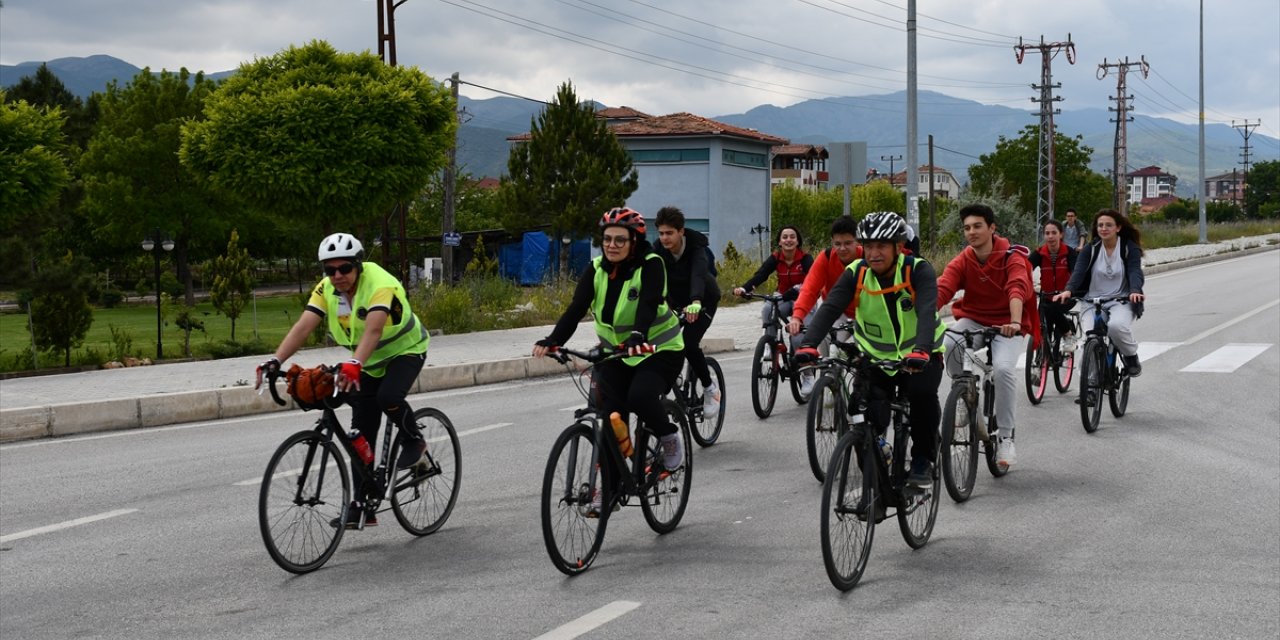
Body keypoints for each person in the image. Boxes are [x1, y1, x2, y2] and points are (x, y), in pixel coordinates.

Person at [257, 232, 431, 528]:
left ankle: (415, 441)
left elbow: (374, 331)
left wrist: (353, 364)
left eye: (344, 268)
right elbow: (303, 327)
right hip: (366, 360)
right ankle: (363, 504)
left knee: (387, 397)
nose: (337, 275)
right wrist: (276, 360)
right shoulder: (327, 290)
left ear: (358, 265)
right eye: (330, 269)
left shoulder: (380, 283)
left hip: (405, 351)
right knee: (359, 431)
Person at [794, 212, 944, 488]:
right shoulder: (857, 272)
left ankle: (924, 457)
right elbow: (830, 308)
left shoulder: (917, 270)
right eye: (870, 245)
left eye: (882, 246)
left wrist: (922, 349)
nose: (874, 253)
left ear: (898, 247)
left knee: (921, 394)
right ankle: (878, 470)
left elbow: (925, 310)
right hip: (876, 358)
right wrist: (808, 344)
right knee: (862, 412)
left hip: (919, 356)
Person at [532, 207, 686, 474]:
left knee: (640, 396)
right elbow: (576, 309)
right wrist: (553, 340)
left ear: (633, 242)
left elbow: (648, 305)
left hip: (659, 350)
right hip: (616, 353)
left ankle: (668, 437)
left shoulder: (651, 264)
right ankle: (611, 490)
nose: (612, 246)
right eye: (607, 239)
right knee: (608, 413)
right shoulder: (596, 270)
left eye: (620, 240)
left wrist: (638, 335)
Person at [936, 204, 1037, 471]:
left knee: (1004, 370)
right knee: (950, 344)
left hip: (1008, 323)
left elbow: (1018, 287)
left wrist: (1014, 322)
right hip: (974, 318)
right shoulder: (964, 259)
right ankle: (964, 394)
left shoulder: (1011, 256)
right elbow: (943, 288)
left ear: (992, 228)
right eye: (967, 227)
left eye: (977, 226)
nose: (971, 232)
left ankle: (1005, 436)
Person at [1053, 208, 1146, 378]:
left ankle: (1131, 356)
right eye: (1100, 225)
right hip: (1092, 301)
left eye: (1108, 225)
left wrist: (1134, 291)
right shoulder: (1091, 248)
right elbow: (1079, 272)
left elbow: (1134, 271)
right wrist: (1068, 290)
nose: (1103, 228)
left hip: (1121, 300)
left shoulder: (1127, 248)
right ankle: (1089, 387)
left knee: (1116, 327)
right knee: (1090, 339)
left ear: (1118, 228)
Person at [654, 206, 723, 419]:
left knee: (688, 344)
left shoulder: (696, 248)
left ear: (681, 231)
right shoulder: (658, 251)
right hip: (675, 303)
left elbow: (698, 274)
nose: (665, 238)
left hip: (703, 301)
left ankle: (710, 388)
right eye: (661, 233)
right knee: (657, 344)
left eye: (669, 233)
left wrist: (695, 300)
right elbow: (651, 278)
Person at [733, 226, 814, 387]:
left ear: (798, 241)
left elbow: (812, 280)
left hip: (804, 299)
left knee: (798, 337)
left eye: (792, 237)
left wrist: (798, 289)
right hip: (783, 296)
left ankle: (807, 374)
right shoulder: (776, 258)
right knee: (767, 308)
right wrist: (744, 288)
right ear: (779, 242)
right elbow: (761, 275)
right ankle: (770, 346)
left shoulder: (805, 259)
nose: (788, 240)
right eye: (785, 237)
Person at [785, 215, 865, 372]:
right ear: (832, 242)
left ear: (858, 242)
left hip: (865, 314)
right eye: (837, 244)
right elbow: (809, 288)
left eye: (848, 243)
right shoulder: (827, 257)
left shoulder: (867, 258)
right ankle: (829, 382)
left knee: (863, 365)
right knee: (827, 356)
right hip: (837, 313)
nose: (842, 248)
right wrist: (797, 317)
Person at [1029, 219, 1080, 352]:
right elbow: (1024, 268)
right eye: (1047, 233)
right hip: (1046, 296)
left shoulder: (1069, 252)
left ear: (1061, 234)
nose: (1050, 236)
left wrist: (1070, 289)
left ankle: (1068, 335)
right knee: (1041, 325)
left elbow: (1076, 272)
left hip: (1066, 296)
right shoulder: (1040, 253)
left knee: (1052, 310)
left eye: (1054, 233)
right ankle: (1039, 361)